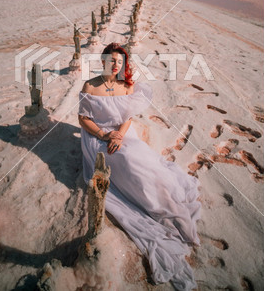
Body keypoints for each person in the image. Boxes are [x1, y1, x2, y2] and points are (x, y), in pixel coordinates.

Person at [78, 42, 201, 290]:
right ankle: (152, 204)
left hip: (123, 134)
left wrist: (119, 135)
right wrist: (105, 135)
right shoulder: (90, 86)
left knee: (142, 157)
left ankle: (164, 198)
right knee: (127, 159)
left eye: (119, 62)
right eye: (111, 60)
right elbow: (83, 119)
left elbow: (127, 118)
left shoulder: (126, 85)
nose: (115, 65)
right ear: (102, 60)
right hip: (97, 138)